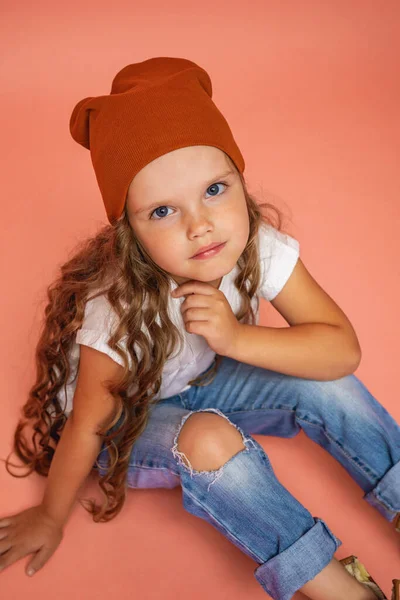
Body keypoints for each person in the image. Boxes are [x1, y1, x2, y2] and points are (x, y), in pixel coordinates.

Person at [0, 57, 399, 600]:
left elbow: (340, 350)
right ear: (129, 232)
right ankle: (346, 592)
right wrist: (50, 515)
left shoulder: (254, 246)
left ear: (240, 179)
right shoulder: (113, 311)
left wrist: (235, 340)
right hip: (129, 420)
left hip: (206, 376)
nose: (200, 225)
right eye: (163, 211)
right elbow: (89, 425)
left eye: (215, 190)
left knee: (325, 379)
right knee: (209, 439)